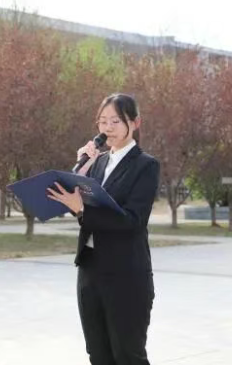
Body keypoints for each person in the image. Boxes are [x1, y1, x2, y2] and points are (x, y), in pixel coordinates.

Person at [46, 93, 160, 365]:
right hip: (90, 273)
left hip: (125, 276)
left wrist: (83, 210)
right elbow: (84, 213)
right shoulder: (96, 163)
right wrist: (81, 171)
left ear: (135, 123)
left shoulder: (146, 165)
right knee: (98, 356)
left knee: (128, 356)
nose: (107, 128)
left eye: (116, 121)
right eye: (102, 121)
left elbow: (132, 221)